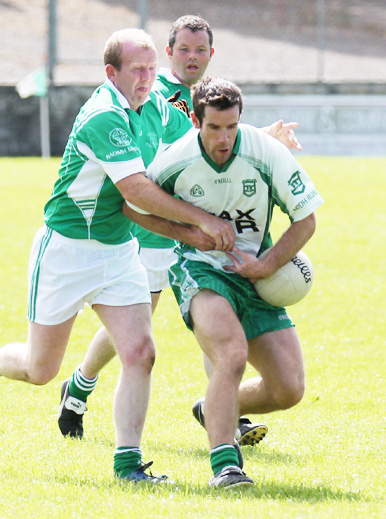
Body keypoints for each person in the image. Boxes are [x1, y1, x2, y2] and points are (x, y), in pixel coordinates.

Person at [0, 29, 237, 484]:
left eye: (150, 69)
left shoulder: (156, 110)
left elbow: (201, 141)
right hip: (65, 252)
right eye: (137, 70)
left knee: (141, 352)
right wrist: (200, 223)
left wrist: (260, 139)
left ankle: (128, 465)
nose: (148, 78)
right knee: (40, 369)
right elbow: (137, 191)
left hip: (119, 251)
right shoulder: (104, 116)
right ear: (112, 72)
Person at [57, 15, 301, 447]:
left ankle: (228, 413)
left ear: (211, 54)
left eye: (200, 49)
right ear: (168, 54)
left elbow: (221, 143)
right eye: (183, 49)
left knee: (220, 322)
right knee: (138, 323)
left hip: (196, 233)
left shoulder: (209, 100)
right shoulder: (152, 94)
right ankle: (81, 381)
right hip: (152, 231)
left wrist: (266, 137)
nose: (192, 56)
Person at [123, 76, 324, 488]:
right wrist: (191, 232)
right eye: (214, 128)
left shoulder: (266, 153)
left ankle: (211, 407)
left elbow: (306, 219)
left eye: (231, 127)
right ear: (196, 121)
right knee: (231, 353)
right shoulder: (175, 158)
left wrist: (267, 264)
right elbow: (133, 205)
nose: (224, 137)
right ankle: (225, 467)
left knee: (289, 389)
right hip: (200, 268)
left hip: (254, 271)